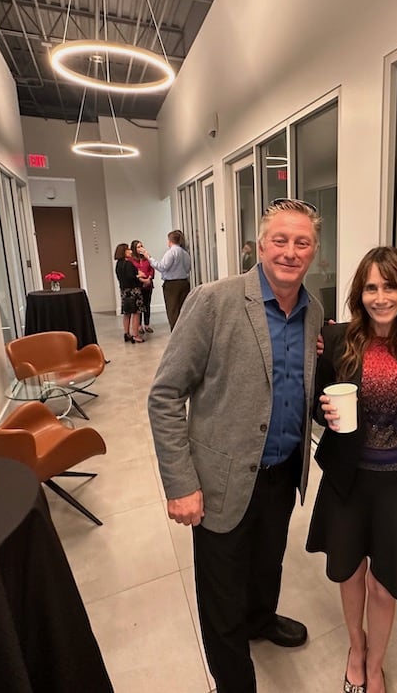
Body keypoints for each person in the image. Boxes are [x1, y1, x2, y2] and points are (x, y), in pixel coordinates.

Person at [148, 199, 325, 693]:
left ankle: (261, 620)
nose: (290, 252)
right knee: (221, 592)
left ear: (315, 251)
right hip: (220, 478)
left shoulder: (314, 310)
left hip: (284, 470)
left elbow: (294, 383)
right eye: (280, 240)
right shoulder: (213, 300)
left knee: (267, 564)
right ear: (261, 244)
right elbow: (165, 394)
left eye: (302, 242)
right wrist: (181, 484)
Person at [307, 246, 397, 693]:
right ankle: (355, 649)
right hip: (348, 479)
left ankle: (375, 665)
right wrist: (323, 409)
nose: (381, 297)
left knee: (384, 584)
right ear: (360, 293)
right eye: (372, 287)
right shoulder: (338, 339)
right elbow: (317, 405)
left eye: (390, 286)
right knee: (350, 572)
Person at [141, 230, 192, 331]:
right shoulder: (185, 253)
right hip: (184, 283)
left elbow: (162, 267)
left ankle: (175, 333)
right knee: (183, 309)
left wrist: (149, 258)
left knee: (172, 310)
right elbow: (188, 268)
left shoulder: (171, 252)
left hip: (172, 285)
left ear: (170, 240)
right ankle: (184, 331)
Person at [114, 242, 145, 343]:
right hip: (133, 291)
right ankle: (135, 335)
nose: (130, 251)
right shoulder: (128, 264)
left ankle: (126, 333)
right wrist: (140, 276)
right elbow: (132, 277)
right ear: (124, 252)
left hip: (124, 291)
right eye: (128, 249)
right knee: (136, 313)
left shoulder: (118, 265)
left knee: (126, 313)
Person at [129, 239, 156, 334]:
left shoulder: (146, 257)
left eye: (141, 246)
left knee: (147, 305)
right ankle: (139, 326)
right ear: (134, 249)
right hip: (138, 285)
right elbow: (133, 272)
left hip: (148, 285)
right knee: (139, 307)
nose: (140, 248)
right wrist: (142, 280)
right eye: (138, 247)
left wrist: (149, 278)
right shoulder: (131, 260)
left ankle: (147, 325)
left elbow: (152, 269)